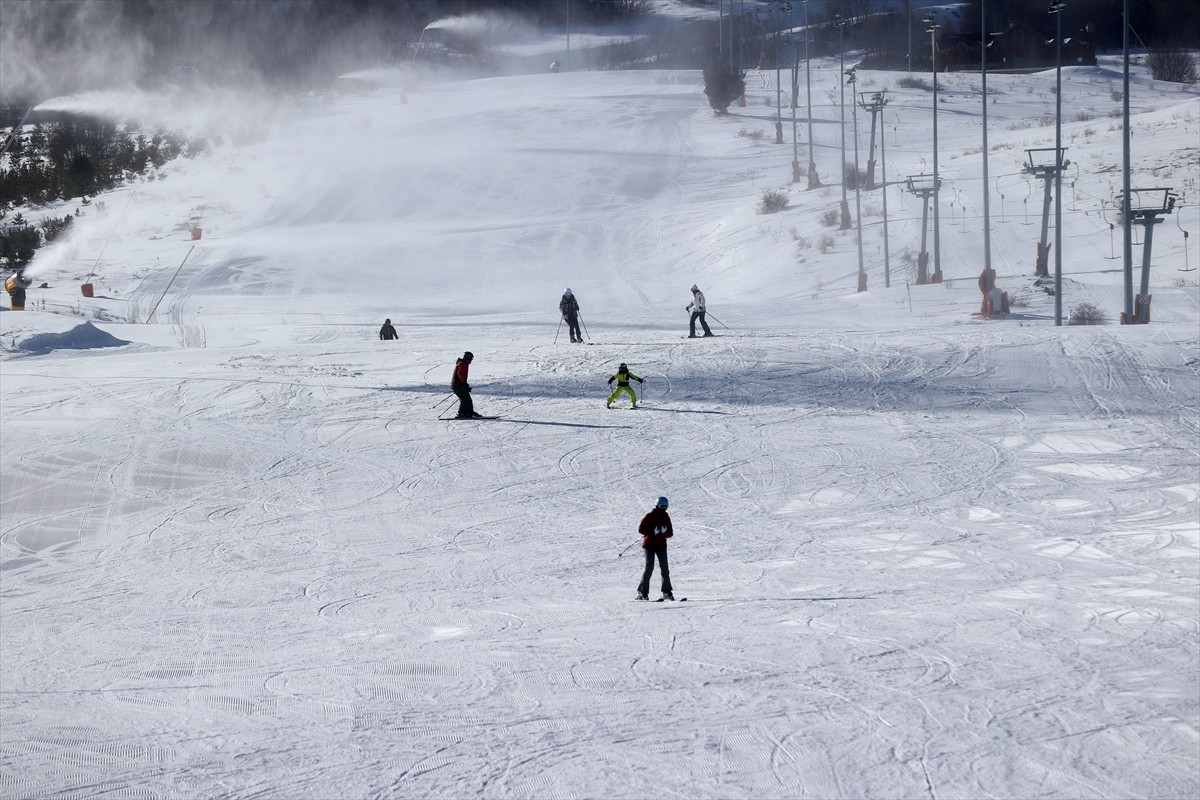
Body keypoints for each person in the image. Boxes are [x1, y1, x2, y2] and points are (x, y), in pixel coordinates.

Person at [636, 496, 674, 601]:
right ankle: (642, 592)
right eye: (662, 506)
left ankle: (666, 592)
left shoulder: (666, 517)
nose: (664, 509)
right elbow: (641, 529)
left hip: (661, 545)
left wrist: (664, 532)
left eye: (666, 507)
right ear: (657, 506)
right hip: (649, 545)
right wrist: (652, 531)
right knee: (649, 568)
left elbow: (670, 533)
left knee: (665, 568)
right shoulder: (650, 516)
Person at [450, 351, 481, 419]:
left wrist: (465, 384)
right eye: (471, 359)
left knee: (468, 399)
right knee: (464, 399)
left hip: (459, 385)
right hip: (457, 385)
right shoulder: (463, 364)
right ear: (468, 358)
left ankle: (469, 412)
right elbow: (460, 374)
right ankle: (461, 413)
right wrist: (464, 383)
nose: (471, 361)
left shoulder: (463, 363)